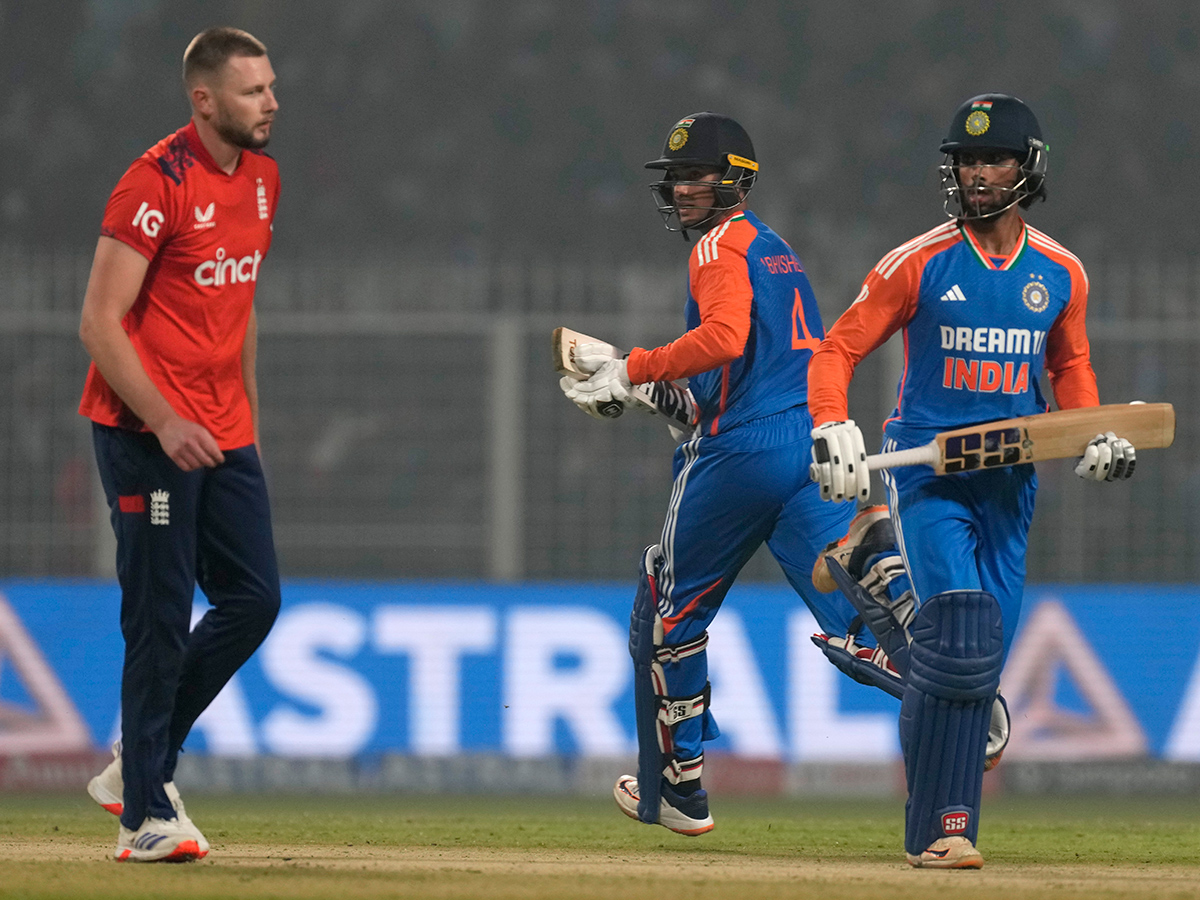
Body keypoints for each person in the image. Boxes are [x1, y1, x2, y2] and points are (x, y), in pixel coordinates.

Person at [807, 93, 1137, 869]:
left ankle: (892, 632)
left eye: (995, 158)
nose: (978, 173)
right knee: (960, 643)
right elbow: (836, 350)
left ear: (1029, 167)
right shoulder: (916, 261)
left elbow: (1071, 368)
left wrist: (1087, 433)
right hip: (930, 473)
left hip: (1010, 483)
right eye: (967, 160)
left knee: (974, 663)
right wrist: (831, 425)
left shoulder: (1060, 271)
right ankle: (946, 832)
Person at [561, 112, 859, 835]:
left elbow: (723, 339)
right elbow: (757, 365)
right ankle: (966, 703)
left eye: (696, 175)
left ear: (734, 180)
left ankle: (680, 789)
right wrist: (658, 394)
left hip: (740, 454)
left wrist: (634, 367)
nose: (682, 189)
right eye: (676, 178)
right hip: (803, 447)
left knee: (669, 609)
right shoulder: (775, 248)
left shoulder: (719, 247)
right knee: (861, 612)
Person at [78, 27, 282, 862]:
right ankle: (144, 817)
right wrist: (165, 418)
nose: (271, 102)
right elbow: (98, 322)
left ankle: (139, 759)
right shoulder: (152, 184)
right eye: (252, 90)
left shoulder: (264, 179)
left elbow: (241, 310)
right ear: (204, 99)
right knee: (159, 619)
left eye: (271, 86)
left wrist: (248, 424)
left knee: (255, 599)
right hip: (146, 433)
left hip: (222, 433)